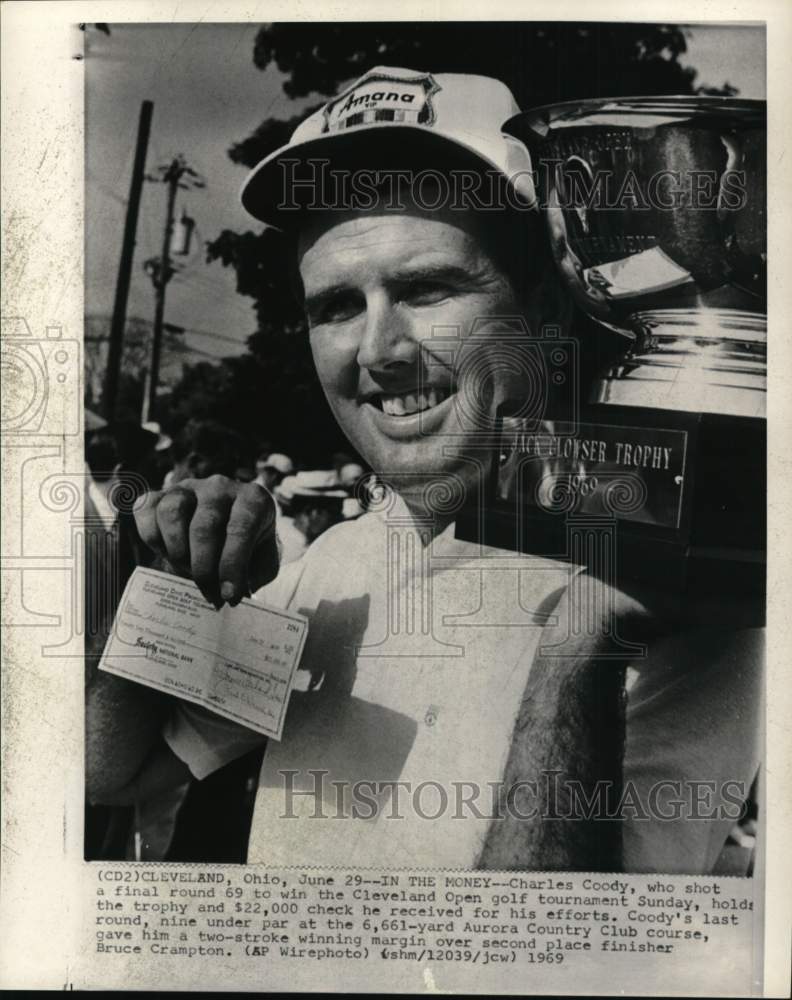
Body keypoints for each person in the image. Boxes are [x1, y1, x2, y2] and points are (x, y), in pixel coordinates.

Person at [86, 67, 762, 873]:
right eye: (337, 307)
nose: (380, 352)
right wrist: (175, 584)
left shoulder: (664, 593)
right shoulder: (336, 565)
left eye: (428, 288)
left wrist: (580, 644)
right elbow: (116, 773)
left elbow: (557, 966)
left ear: (545, 308)